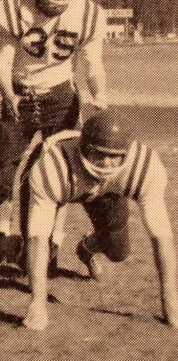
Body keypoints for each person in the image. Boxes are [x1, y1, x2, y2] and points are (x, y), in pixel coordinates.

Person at [0, 0, 107, 279]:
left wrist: (99, 97)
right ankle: (4, 239)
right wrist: (6, 92)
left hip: (61, 98)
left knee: (60, 171)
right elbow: (1, 63)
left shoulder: (88, 15)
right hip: (19, 95)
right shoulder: (14, 10)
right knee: (2, 169)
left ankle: (52, 241)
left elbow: (93, 66)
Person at [20, 109, 177, 331]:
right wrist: (37, 303)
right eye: (99, 154)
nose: (106, 163)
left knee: (118, 251)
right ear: (84, 147)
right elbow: (38, 237)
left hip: (108, 191)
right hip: (64, 182)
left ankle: (87, 248)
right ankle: (10, 254)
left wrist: (171, 298)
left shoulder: (145, 167)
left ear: (126, 154)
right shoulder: (53, 166)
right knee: (34, 253)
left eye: (114, 156)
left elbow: (161, 236)